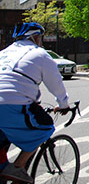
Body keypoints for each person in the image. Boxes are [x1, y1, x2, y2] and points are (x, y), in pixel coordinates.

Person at [0, 23, 70, 184]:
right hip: (13, 104)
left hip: (10, 102)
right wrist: (64, 104)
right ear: (36, 37)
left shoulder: (3, 53)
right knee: (44, 127)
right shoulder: (40, 54)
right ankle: (17, 168)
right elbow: (56, 84)